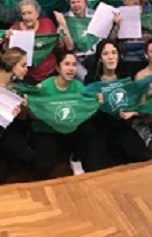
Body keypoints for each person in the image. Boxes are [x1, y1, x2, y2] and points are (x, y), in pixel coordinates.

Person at [31, 49, 103, 177]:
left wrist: (96, 103)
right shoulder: (43, 87)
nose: (71, 68)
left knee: (89, 130)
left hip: (70, 130)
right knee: (42, 167)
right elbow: (33, 115)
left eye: (74, 65)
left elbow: (85, 111)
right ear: (58, 68)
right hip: (48, 131)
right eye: (67, 64)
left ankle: (76, 158)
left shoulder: (78, 86)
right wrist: (29, 103)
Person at [84, 39, 152, 166]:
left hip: (122, 124)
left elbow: (136, 101)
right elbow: (86, 109)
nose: (111, 57)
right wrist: (95, 103)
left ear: (119, 56)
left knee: (142, 156)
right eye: (105, 54)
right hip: (99, 126)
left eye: (114, 53)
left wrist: (133, 112)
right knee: (95, 165)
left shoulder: (126, 75)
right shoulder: (92, 78)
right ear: (100, 58)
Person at [0, 47, 32, 184]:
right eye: (23, 65)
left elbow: (22, 118)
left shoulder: (17, 86)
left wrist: (23, 108)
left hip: (3, 131)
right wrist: (3, 114)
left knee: (26, 157)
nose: (26, 69)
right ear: (13, 66)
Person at [7, 0, 59, 84]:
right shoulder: (15, 29)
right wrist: (7, 39)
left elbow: (57, 46)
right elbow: (9, 56)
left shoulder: (48, 24)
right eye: (24, 14)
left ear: (37, 13)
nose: (27, 17)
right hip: (27, 76)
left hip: (50, 73)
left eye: (30, 13)